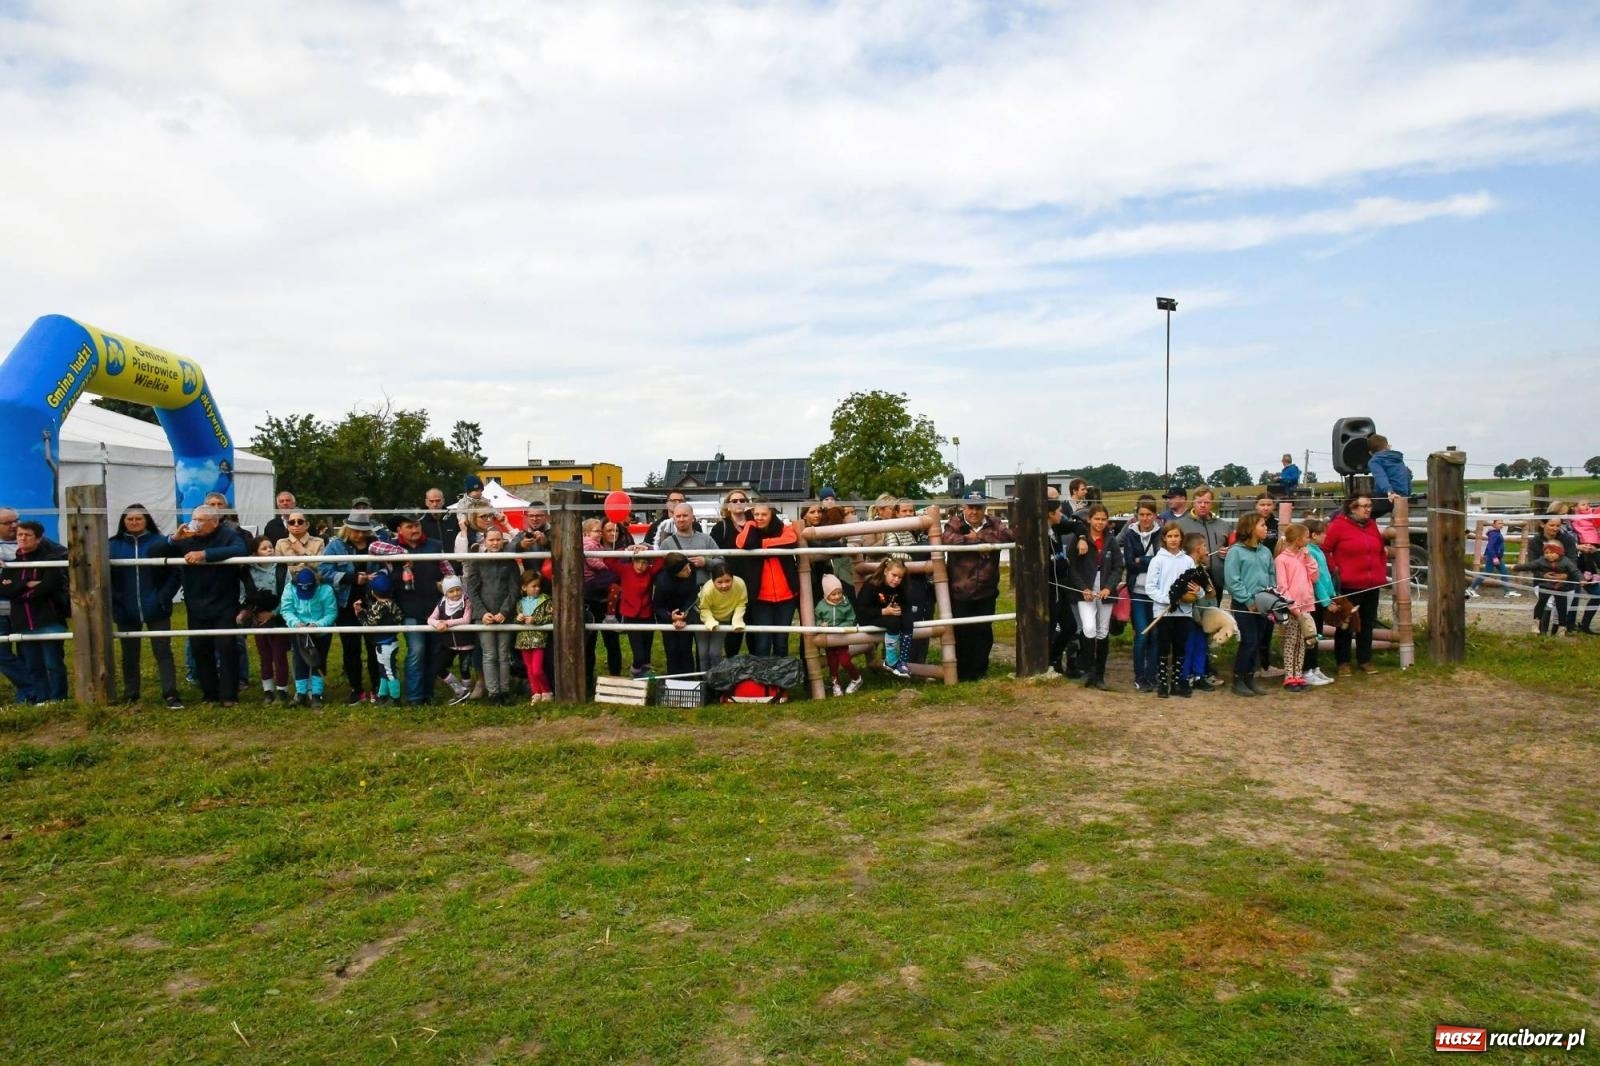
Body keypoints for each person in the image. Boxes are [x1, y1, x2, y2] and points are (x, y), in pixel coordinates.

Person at [153, 505, 248, 706]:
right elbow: (153, 553)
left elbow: (241, 549)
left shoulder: (228, 534)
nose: (195, 523)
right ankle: (209, 693)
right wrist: (174, 539)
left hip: (224, 600)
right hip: (195, 601)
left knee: (227, 646)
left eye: (201, 520)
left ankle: (229, 695)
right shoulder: (186, 536)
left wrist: (205, 554)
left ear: (215, 522)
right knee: (200, 648)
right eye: (194, 519)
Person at [369, 515, 454, 703]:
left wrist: (448, 585)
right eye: (409, 526)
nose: (415, 530)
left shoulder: (434, 546)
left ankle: (428, 694)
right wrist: (403, 553)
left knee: (432, 653)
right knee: (417, 651)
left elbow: (449, 571)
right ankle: (415, 697)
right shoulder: (391, 547)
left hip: (435, 609)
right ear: (399, 529)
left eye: (417, 525)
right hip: (409, 608)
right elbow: (372, 547)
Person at [108, 504, 183, 709]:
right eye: (130, 519)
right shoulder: (112, 545)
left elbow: (175, 571)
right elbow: (106, 577)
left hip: (156, 607)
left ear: (146, 520)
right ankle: (131, 693)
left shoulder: (160, 542)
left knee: (163, 650)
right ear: (123, 521)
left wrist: (163, 597)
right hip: (125, 608)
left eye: (138, 518)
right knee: (129, 653)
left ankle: (170, 693)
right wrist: (116, 600)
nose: (134, 522)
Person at [943, 491, 1013, 682]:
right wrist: (973, 541)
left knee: (983, 631)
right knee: (962, 632)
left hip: (986, 589)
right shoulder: (954, 523)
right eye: (970, 507)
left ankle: (980, 670)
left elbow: (1009, 536)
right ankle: (963, 672)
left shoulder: (994, 522)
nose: (974, 512)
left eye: (978, 507)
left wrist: (980, 537)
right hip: (960, 590)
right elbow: (947, 539)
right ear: (964, 507)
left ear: (984, 509)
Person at [0, 520, 70, 703]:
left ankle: (58, 699)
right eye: (20, 535)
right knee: (33, 665)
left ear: (38, 539)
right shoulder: (11, 565)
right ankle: (41, 698)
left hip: (48, 619)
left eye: (27, 535)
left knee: (53, 663)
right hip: (23, 621)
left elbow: (49, 585)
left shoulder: (50, 561)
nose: (22, 538)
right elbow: (5, 590)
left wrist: (19, 592)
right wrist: (27, 584)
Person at [1321, 495, 1388, 676]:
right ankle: (1343, 661)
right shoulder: (1338, 526)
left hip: (1372, 584)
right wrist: (1335, 569)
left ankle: (1365, 659)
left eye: (1369, 505)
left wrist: (1380, 570)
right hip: (1348, 584)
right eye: (1364, 506)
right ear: (1352, 508)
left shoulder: (1372, 525)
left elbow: (1380, 550)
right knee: (1346, 623)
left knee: (1367, 623)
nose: (1368, 509)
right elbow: (1325, 549)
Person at [1062, 504, 1124, 691]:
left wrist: (1108, 587)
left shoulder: (1111, 540)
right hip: (1085, 591)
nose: (1100, 522)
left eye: (1103, 519)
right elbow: (1072, 567)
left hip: (1105, 589)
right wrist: (1083, 588)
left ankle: (1099, 674)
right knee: (1088, 628)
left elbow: (1118, 567)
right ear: (1090, 519)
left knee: (1102, 631)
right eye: (1097, 519)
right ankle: (1087, 666)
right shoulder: (1078, 539)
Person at [322, 507, 382, 704]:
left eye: (363, 530)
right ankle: (356, 689)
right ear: (347, 528)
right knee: (350, 647)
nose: (359, 535)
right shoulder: (335, 545)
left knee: (374, 647)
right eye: (355, 530)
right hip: (346, 602)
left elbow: (388, 567)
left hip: (373, 601)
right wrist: (351, 578)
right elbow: (324, 571)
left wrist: (376, 578)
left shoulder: (377, 544)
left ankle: (377, 687)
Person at [736, 502, 800, 657]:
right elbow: (742, 543)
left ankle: (780, 672)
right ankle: (762, 672)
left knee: (781, 641)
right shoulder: (750, 527)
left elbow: (791, 540)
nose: (760, 518)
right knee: (762, 642)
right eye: (756, 514)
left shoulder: (783, 528)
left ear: (772, 514)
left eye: (764, 514)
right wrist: (750, 523)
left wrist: (760, 545)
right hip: (761, 597)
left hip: (786, 596)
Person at [466, 526, 521, 705]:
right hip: (484, 616)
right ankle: (493, 692)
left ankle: (505, 690)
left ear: (503, 541)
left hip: (504, 614)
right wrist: (482, 613)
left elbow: (514, 589)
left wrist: (504, 611)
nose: (495, 543)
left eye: (498, 540)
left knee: (503, 654)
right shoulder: (477, 562)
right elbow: (472, 590)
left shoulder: (509, 562)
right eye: (491, 540)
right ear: (485, 542)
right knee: (489, 654)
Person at [1223, 511, 1276, 697]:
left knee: (1258, 640)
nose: (1266, 528)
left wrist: (1270, 597)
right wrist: (1248, 601)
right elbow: (1233, 580)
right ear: (1250, 528)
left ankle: (1250, 677)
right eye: (1262, 525)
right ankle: (1238, 679)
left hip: (1263, 604)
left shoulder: (1265, 551)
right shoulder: (1235, 552)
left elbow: (1271, 574)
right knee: (1249, 640)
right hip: (1243, 605)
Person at [1145, 522, 1199, 699]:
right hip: (1164, 611)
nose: (1173, 539)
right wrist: (1168, 599)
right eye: (1170, 536)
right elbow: (1150, 588)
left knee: (1180, 646)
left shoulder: (1188, 561)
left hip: (1184, 612)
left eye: (1176, 536)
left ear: (1181, 538)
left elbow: (1196, 585)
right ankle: (1163, 683)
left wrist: (1197, 591)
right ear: (1164, 538)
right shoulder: (1157, 560)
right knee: (1163, 646)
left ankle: (1177, 682)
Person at [1117, 496, 1162, 693]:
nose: (1145, 518)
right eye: (1142, 514)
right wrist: (1148, 560)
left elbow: (1161, 561)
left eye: (1149, 514)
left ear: (1155, 515)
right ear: (1137, 515)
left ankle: (1152, 675)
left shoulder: (1161, 534)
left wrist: (1141, 559)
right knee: (1142, 634)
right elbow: (1129, 563)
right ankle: (1139, 676)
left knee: (1155, 635)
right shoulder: (1130, 534)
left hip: (1156, 593)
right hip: (1137, 591)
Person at [240, 535, 291, 702]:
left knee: (279, 654)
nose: (269, 550)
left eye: (271, 547)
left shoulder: (282, 568)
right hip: (258, 618)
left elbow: (288, 594)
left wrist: (274, 613)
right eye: (264, 548)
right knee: (265, 655)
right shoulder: (247, 572)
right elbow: (243, 594)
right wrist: (251, 611)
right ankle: (268, 689)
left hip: (278, 616)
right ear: (255, 553)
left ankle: (282, 689)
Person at [279, 567, 336, 708]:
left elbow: (331, 613)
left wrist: (318, 625)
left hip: (321, 632)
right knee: (300, 661)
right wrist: (295, 623)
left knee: (319, 661)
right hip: (299, 632)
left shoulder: (326, 590)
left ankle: (316, 694)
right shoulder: (289, 589)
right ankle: (301, 693)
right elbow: (286, 610)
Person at [1274, 523, 1319, 692]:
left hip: (1306, 605)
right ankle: (1289, 676)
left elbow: (1314, 577)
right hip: (1292, 608)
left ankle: (1298, 674)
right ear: (1298, 539)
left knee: (1302, 642)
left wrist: (1309, 559)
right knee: (1291, 641)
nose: (1308, 540)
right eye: (1306, 537)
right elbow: (1282, 586)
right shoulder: (1281, 560)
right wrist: (1292, 606)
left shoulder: (1304, 556)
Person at [0, 507, 39, 704]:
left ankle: (28, 696)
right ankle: (31, 688)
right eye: (8, 523)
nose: (14, 526)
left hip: (25, 606)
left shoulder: (31, 542)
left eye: (16, 521)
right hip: (1, 609)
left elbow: (59, 555)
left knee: (28, 652)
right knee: (2, 654)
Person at [607, 545, 663, 678]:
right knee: (639, 655)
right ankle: (634, 671)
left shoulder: (649, 572)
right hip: (630, 616)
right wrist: (627, 550)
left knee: (646, 653)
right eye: (638, 561)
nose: (641, 566)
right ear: (632, 560)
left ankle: (643, 680)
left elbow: (661, 560)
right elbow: (608, 560)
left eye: (644, 563)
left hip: (647, 615)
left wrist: (647, 549)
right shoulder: (625, 570)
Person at [856, 557, 917, 678]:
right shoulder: (871, 584)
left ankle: (903, 661)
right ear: (885, 572)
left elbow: (906, 604)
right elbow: (861, 610)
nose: (896, 580)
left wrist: (900, 609)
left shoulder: (902, 586)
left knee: (908, 620)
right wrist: (883, 611)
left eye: (900, 577)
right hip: (870, 617)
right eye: (894, 575)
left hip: (890, 615)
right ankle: (891, 661)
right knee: (893, 622)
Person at [709, 490, 753, 656]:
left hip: (754, 580)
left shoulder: (755, 524)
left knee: (753, 624)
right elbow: (713, 553)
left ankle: (755, 662)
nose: (739, 503)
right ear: (728, 505)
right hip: (731, 583)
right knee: (734, 625)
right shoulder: (721, 527)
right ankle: (731, 662)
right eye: (734, 501)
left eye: (742, 500)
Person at [1515, 540, 1581, 636]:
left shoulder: (1566, 561)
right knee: (1541, 603)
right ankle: (1536, 623)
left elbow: (1575, 571)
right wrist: (1516, 567)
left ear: (1559, 552)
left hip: (1561, 587)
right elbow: (1529, 566)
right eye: (1546, 553)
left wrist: (1582, 579)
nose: (1549, 555)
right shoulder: (1541, 560)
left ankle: (1562, 627)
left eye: (1552, 552)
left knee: (1562, 607)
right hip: (1546, 586)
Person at [360, 570, 405, 705]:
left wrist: (360, 614)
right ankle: (382, 695)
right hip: (391, 642)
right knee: (383, 670)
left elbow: (368, 624)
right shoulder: (393, 604)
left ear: (373, 592)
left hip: (384, 644)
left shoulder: (376, 607)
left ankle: (395, 698)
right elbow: (399, 617)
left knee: (389, 671)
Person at [815, 573, 864, 696]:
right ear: (827, 595)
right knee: (832, 663)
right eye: (833, 594)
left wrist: (841, 628)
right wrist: (821, 624)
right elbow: (816, 619)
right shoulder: (821, 606)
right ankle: (835, 684)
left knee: (845, 660)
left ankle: (856, 678)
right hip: (828, 639)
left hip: (842, 638)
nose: (837, 596)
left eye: (839, 593)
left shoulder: (845, 604)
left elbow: (851, 619)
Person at [428, 575, 475, 700]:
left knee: (464, 670)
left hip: (466, 644)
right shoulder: (442, 603)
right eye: (451, 591)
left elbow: (466, 620)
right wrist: (438, 624)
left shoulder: (467, 601)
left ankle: (467, 695)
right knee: (438, 667)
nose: (455, 593)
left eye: (458, 589)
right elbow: (430, 619)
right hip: (448, 644)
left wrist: (447, 623)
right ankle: (460, 690)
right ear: (445, 592)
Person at [1302, 519, 1337, 686]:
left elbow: (1325, 576)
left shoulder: (1319, 551)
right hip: (1314, 601)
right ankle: (1306, 669)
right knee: (1311, 636)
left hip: (1322, 598)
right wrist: (1325, 600)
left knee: (1317, 635)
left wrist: (1332, 594)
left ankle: (1314, 667)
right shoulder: (1309, 552)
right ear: (1314, 535)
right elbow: (1315, 581)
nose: (1326, 536)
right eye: (1323, 533)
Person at [653, 553, 700, 675]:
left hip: (686, 613)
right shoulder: (662, 583)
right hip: (667, 615)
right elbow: (658, 607)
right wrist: (671, 617)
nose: (689, 570)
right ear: (674, 572)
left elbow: (693, 593)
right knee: (672, 650)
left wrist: (684, 613)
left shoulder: (691, 568)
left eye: (688, 566)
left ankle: (689, 679)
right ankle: (673, 679)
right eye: (684, 570)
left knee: (686, 648)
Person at [695, 562, 747, 671]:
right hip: (701, 618)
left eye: (728, 581)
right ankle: (704, 678)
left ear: (733, 578)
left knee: (715, 653)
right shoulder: (708, 590)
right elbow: (704, 609)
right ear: (713, 581)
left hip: (722, 620)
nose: (724, 585)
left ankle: (716, 678)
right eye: (719, 582)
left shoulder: (740, 584)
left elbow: (741, 603)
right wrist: (711, 622)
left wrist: (737, 620)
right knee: (703, 654)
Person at [656, 503, 722, 588]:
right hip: (677, 590)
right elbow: (660, 570)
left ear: (693, 518)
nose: (681, 519)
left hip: (703, 590)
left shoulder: (706, 539)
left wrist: (705, 562)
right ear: (674, 519)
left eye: (685, 515)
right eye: (678, 516)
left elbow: (721, 561)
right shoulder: (667, 543)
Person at [514, 568, 555, 703]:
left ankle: (547, 691)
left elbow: (551, 616)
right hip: (523, 640)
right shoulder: (520, 603)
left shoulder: (545, 600)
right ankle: (536, 692)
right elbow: (515, 619)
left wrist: (536, 620)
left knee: (537, 669)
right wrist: (518, 618)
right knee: (530, 669)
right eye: (534, 586)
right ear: (524, 587)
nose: (537, 589)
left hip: (538, 639)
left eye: (538, 586)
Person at [1366, 435, 1413, 520]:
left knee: (1352, 511)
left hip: (1385, 496)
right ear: (1388, 446)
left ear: (1370, 453)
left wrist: (1390, 492)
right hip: (1402, 497)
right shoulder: (1397, 459)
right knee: (1399, 524)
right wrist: (1407, 497)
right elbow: (1407, 476)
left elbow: (1380, 476)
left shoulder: (1375, 460)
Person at [1467, 519, 1512, 599]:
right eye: (1499, 523)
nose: (1501, 525)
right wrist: (1494, 557)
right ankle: (1471, 589)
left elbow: (1492, 546)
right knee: (1486, 573)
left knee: (1504, 572)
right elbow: (1490, 546)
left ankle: (1508, 592)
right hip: (1493, 557)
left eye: (1502, 523)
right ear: (1494, 525)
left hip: (1497, 557)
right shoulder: (1494, 534)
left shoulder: (1497, 533)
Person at [274, 510, 325, 579]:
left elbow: (320, 568)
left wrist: (304, 551)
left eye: (300, 522)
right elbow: (279, 570)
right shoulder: (280, 544)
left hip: (313, 582)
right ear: (288, 526)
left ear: (307, 525)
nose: (296, 524)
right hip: (288, 583)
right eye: (292, 522)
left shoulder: (319, 542)